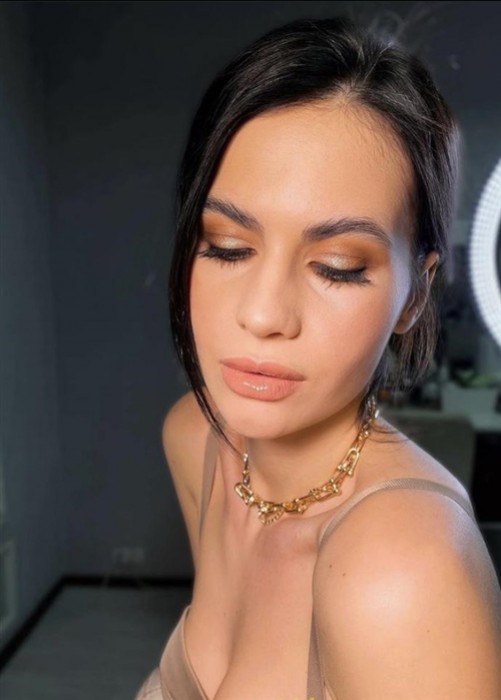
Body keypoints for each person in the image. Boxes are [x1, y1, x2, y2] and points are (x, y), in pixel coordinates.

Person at [135, 16, 501, 700]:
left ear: (415, 294)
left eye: (336, 266)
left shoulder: (403, 569)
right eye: (227, 247)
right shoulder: (196, 441)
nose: (263, 315)